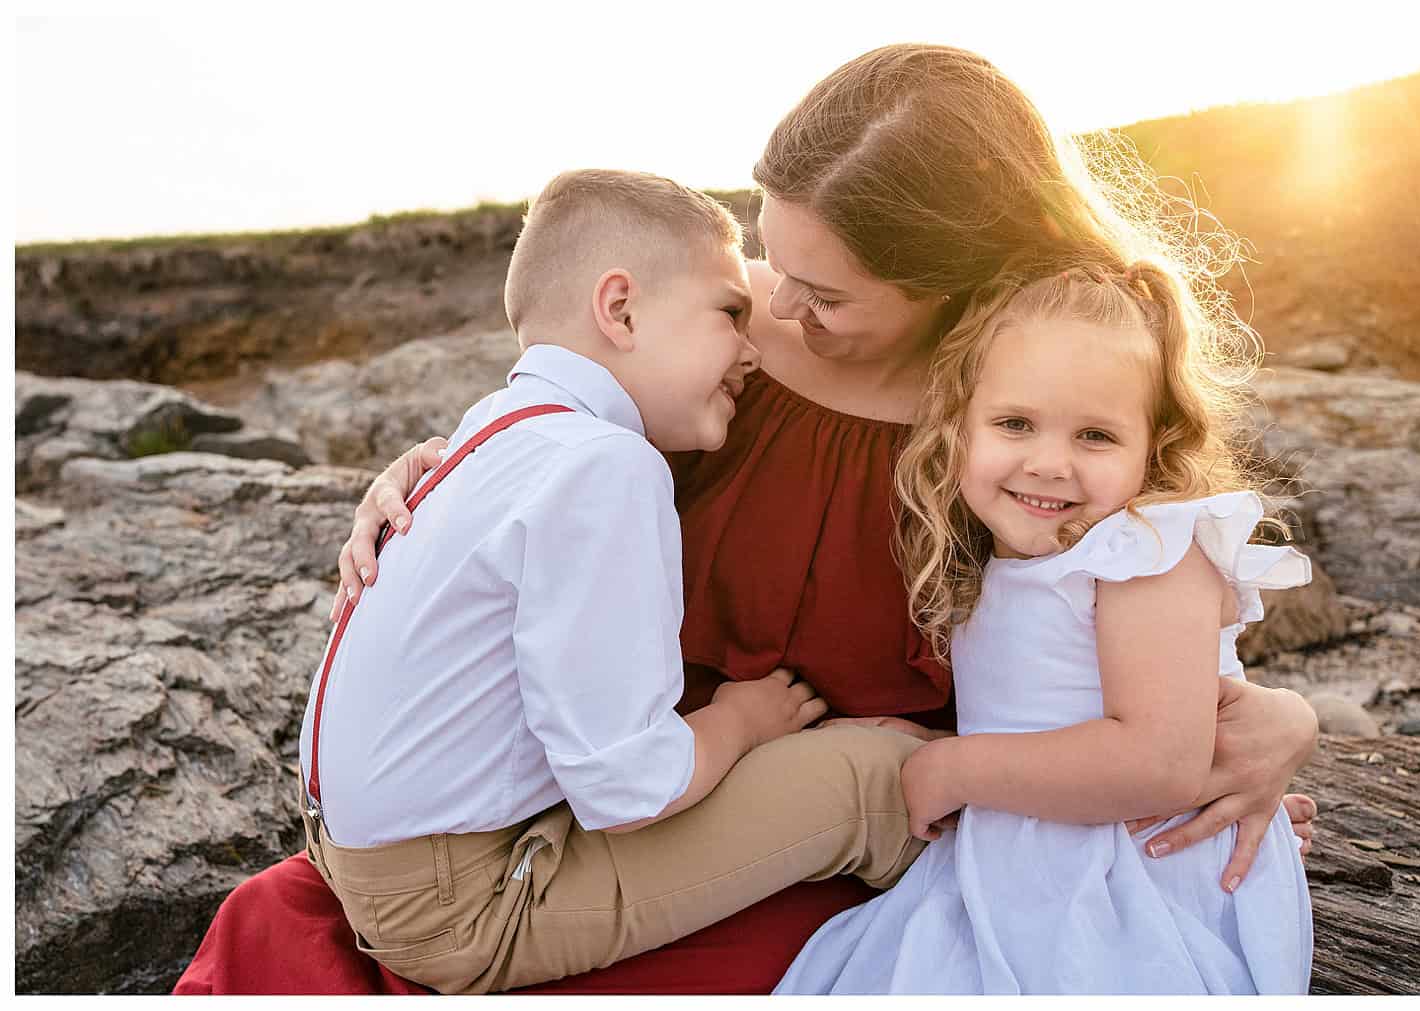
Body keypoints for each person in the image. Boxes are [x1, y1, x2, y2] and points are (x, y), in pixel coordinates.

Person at [175, 45, 1317, 996]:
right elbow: (545, 445)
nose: (779, 305)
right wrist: (413, 480)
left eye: (826, 294)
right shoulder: (709, 342)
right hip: (612, 773)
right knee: (297, 924)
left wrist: (1277, 714)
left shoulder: (1030, 417)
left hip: (843, 813)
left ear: (954, 281)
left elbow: (1124, 609)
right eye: (775, 260)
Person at [296, 168, 931, 994]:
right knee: (873, 782)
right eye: (730, 313)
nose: (751, 348)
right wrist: (741, 721)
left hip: (363, 855)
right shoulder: (607, 464)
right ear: (621, 309)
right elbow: (630, 784)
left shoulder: (496, 427)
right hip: (464, 903)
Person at [775, 262, 1314, 994]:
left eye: (1095, 435)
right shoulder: (1008, 556)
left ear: (1152, 446)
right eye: (1014, 423)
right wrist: (935, 744)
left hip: (1133, 883)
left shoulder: (1145, 551)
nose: (1050, 463)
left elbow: (1160, 763)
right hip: (1030, 856)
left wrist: (957, 768)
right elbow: (1045, 717)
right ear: (959, 422)